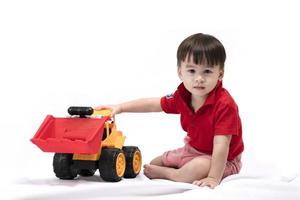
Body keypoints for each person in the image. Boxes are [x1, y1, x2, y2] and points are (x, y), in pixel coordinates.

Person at [95, 33, 244, 189]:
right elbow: (153, 104)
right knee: (154, 163)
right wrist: (120, 107)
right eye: (192, 71)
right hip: (192, 149)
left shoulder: (224, 104)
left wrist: (213, 178)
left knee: (195, 168)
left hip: (223, 159)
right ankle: (177, 167)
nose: (199, 78)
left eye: (207, 71)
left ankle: (173, 175)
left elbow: (222, 145)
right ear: (180, 72)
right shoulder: (182, 96)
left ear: (220, 74)